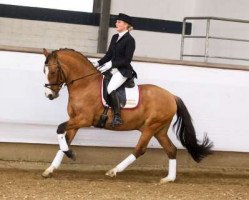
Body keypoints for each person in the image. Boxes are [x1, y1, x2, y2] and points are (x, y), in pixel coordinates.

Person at [92, 13, 137, 127]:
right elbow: (109, 54)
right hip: (112, 68)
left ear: (126, 25)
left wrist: (112, 63)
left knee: (110, 88)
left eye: (119, 22)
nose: (116, 23)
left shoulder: (130, 40)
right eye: (116, 22)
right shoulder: (115, 37)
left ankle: (117, 117)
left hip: (123, 71)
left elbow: (127, 60)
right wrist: (98, 63)